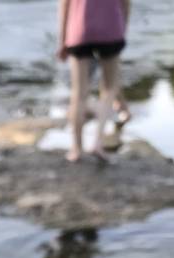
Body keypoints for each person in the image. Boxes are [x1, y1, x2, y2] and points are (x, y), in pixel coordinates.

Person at [57, 0, 130, 162]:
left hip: (79, 31)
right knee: (110, 87)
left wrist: (62, 40)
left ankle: (76, 148)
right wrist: (123, 28)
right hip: (111, 30)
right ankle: (97, 143)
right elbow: (126, 4)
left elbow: (64, 5)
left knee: (79, 93)